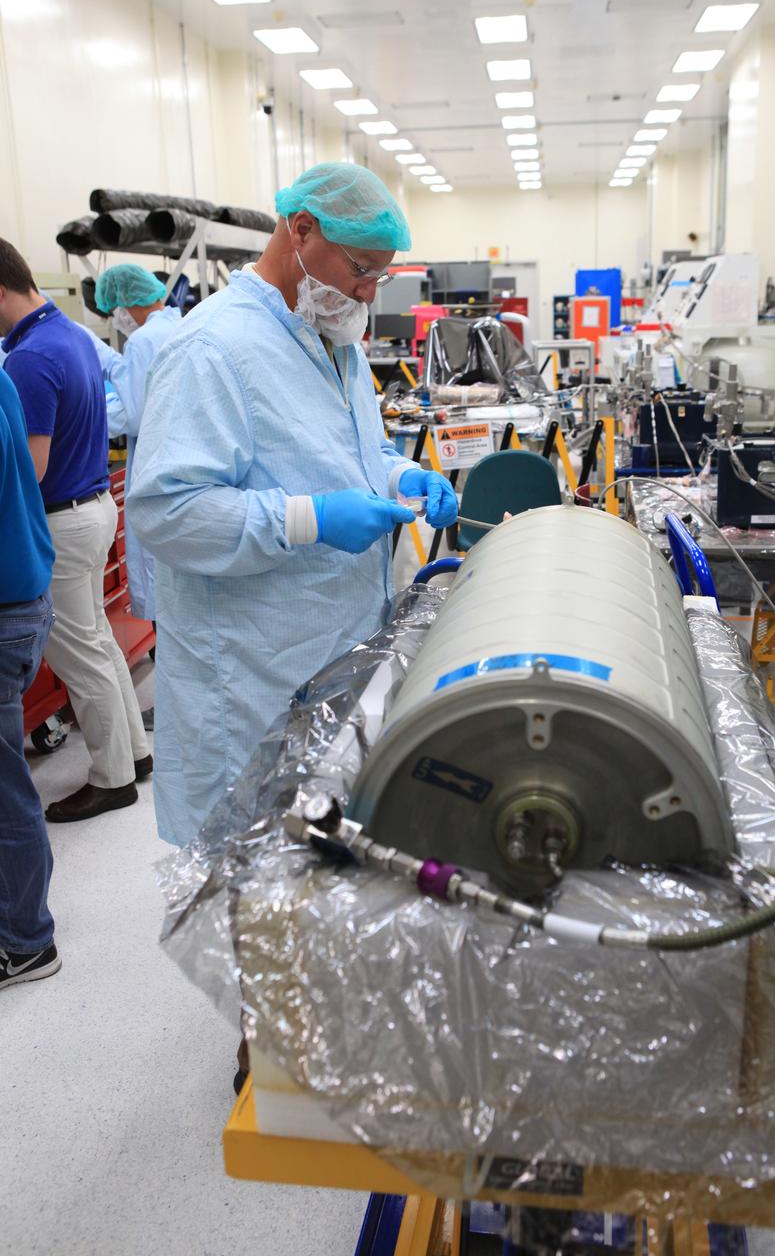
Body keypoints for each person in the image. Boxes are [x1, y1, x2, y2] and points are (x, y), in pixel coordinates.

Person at [129, 162, 457, 848]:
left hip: (334, 658)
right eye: (362, 268)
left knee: (315, 873)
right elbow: (168, 513)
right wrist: (309, 519)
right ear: (301, 232)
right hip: (254, 678)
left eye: (380, 276)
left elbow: (342, 454)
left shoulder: (330, 335)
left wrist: (400, 478)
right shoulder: (212, 348)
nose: (369, 290)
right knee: (251, 884)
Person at [0, 239, 151, 822]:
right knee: (99, 644)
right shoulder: (68, 335)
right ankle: (134, 754)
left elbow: (30, 467)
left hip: (62, 522)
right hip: (92, 509)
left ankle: (112, 779)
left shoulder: (29, 359)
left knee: (79, 655)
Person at [89, 265, 182, 731]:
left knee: (165, 595)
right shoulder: (178, 325)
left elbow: (129, 413)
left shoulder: (145, 341)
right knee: (176, 592)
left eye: (116, 309)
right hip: (178, 467)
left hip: (159, 470)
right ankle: (180, 702)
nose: (117, 317)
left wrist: (89, 403)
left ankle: (175, 707)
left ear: (126, 304)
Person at [0, 368, 61, 988]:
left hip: (5, 611)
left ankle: (25, 940)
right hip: (23, 598)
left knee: (4, 790)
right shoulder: (2, 376)